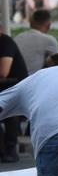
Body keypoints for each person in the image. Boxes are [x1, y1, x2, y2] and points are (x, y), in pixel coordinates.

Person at [14, 9, 58, 90]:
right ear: (49, 25)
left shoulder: (18, 37)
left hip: (13, 80)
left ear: (31, 23)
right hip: (31, 82)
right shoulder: (48, 39)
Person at [0, 24, 27, 162]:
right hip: (4, 86)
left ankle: (10, 148)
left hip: (15, 86)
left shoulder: (6, 42)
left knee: (7, 108)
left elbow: (3, 72)